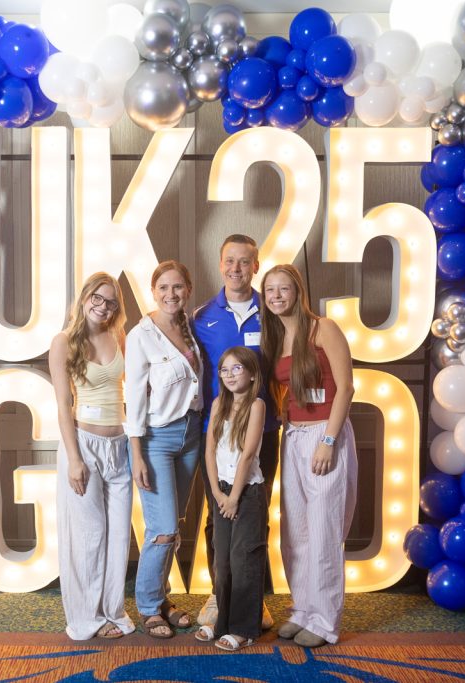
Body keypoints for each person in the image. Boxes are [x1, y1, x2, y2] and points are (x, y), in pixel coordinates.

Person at [260, 264, 358, 648]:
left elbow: (346, 388)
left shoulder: (323, 328)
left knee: (323, 530)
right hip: (294, 435)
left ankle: (325, 620)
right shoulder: (277, 336)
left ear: (298, 292)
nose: (277, 296)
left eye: (284, 289)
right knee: (296, 531)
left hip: (324, 435)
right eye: (270, 290)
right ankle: (303, 609)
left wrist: (328, 441)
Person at [193, 234, 278, 628]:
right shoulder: (201, 317)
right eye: (230, 261)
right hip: (217, 434)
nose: (236, 269)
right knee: (218, 516)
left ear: (256, 266)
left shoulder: (272, 310)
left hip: (264, 429)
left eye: (244, 262)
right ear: (220, 264)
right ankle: (219, 594)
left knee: (255, 515)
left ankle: (252, 599)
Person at [50, 272, 134, 640]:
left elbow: (131, 389)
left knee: (119, 534)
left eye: (110, 301)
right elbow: (62, 404)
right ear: (84, 299)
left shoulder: (119, 337)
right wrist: (74, 459)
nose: (102, 306)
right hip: (83, 444)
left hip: (120, 446)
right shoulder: (63, 342)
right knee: (90, 534)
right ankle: (87, 617)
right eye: (96, 298)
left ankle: (112, 610)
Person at [125, 260, 203, 639]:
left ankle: (162, 599)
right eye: (163, 288)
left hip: (192, 434)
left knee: (175, 525)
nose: (171, 294)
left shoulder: (191, 325)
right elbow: (134, 395)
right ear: (153, 292)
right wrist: (137, 452)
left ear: (188, 289)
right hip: (156, 438)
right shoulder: (141, 335)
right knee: (162, 528)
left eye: (178, 287)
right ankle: (148, 607)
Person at [194, 346, 267, 651]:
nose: (230, 375)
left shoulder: (257, 405)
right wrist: (216, 492)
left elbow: (247, 454)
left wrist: (234, 497)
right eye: (224, 370)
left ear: (251, 374)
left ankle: (244, 629)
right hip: (222, 492)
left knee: (243, 560)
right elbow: (209, 450)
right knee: (222, 563)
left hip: (246, 493)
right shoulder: (218, 404)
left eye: (237, 368)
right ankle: (221, 623)